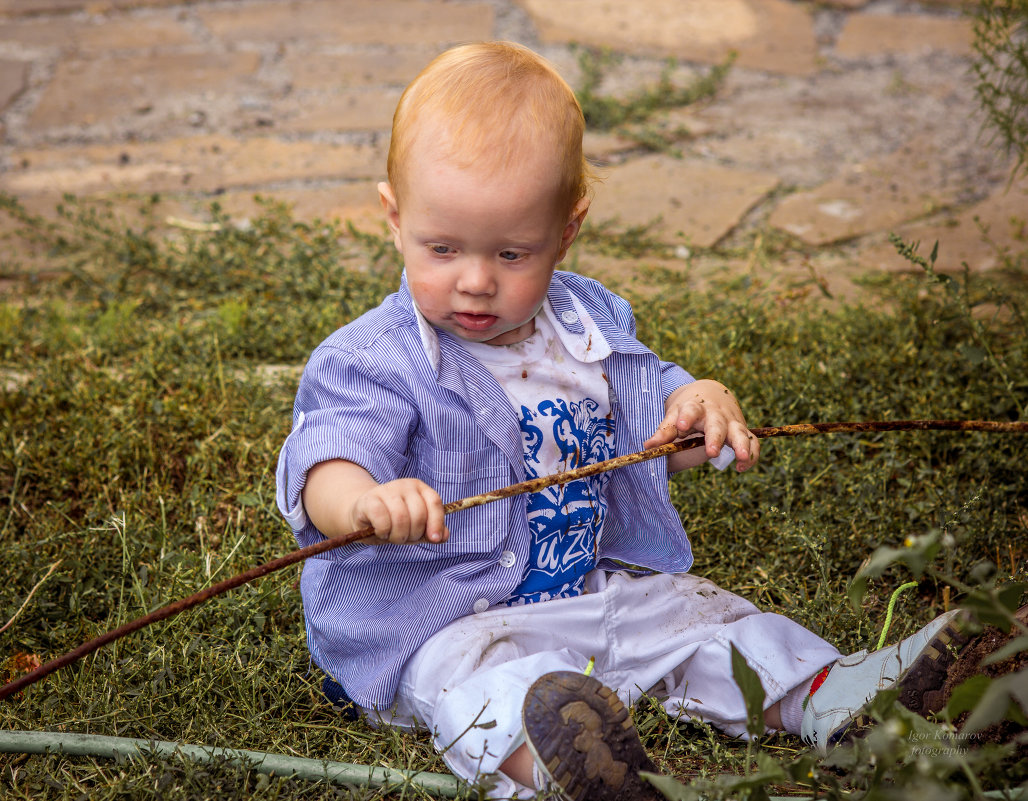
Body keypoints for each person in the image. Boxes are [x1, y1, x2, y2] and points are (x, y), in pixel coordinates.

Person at [275, 41, 968, 800]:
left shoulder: (586, 322)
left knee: (698, 616)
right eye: (441, 248)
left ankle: (843, 695)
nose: (474, 281)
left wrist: (695, 404)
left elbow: (646, 429)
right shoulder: (374, 359)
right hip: (438, 624)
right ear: (394, 217)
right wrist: (365, 500)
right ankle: (562, 766)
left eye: (512, 252)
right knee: (472, 686)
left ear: (567, 230)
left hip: (590, 591)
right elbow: (324, 462)